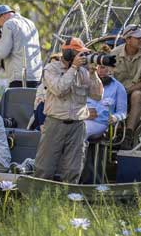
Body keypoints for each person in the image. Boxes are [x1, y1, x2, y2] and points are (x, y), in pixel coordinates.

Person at [34, 38, 103, 183]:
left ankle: (68, 202)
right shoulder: (51, 69)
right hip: (55, 124)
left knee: (73, 170)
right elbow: (59, 89)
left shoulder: (84, 72)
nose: (82, 57)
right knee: (45, 168)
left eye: (83, 54)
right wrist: (73, 69)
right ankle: (38, 201)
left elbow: (97, 95)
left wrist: (93, 73)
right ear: (68, 53)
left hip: (78, 126)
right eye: (79, 53)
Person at [111, 24, 141, 149]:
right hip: (119, 92)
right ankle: (112, 131)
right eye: (138, 38)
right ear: (128, 39)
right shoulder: (114, 53)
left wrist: (125, 91)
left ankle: (128, 135)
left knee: (136, 95)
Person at [0, 4, 43, 88]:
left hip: (19, 78)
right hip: (36, 77)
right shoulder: (30, 23)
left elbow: (2, 53)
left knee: (18, 101)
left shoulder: (8, 24)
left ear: (3, 15)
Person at [85, 62, 127, 140]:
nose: (99, 71)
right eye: (96, 68)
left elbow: (122, 112)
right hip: (81, 119)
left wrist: (115, 117)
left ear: (111, 69)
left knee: (81, 131)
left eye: (102, 67)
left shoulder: (118, 87)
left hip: (100, 122)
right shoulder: (85, 82)